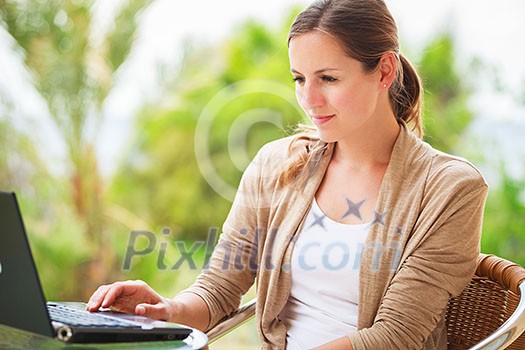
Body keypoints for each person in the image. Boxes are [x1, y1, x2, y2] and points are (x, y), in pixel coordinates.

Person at [86, 0, 488, 349]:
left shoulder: (451, 189)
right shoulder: (277, 165)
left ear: (384, 72)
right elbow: (220, 287)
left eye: (328, 78)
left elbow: (395, 336)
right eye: (299, 79)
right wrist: (164, 311)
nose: (309, 100)